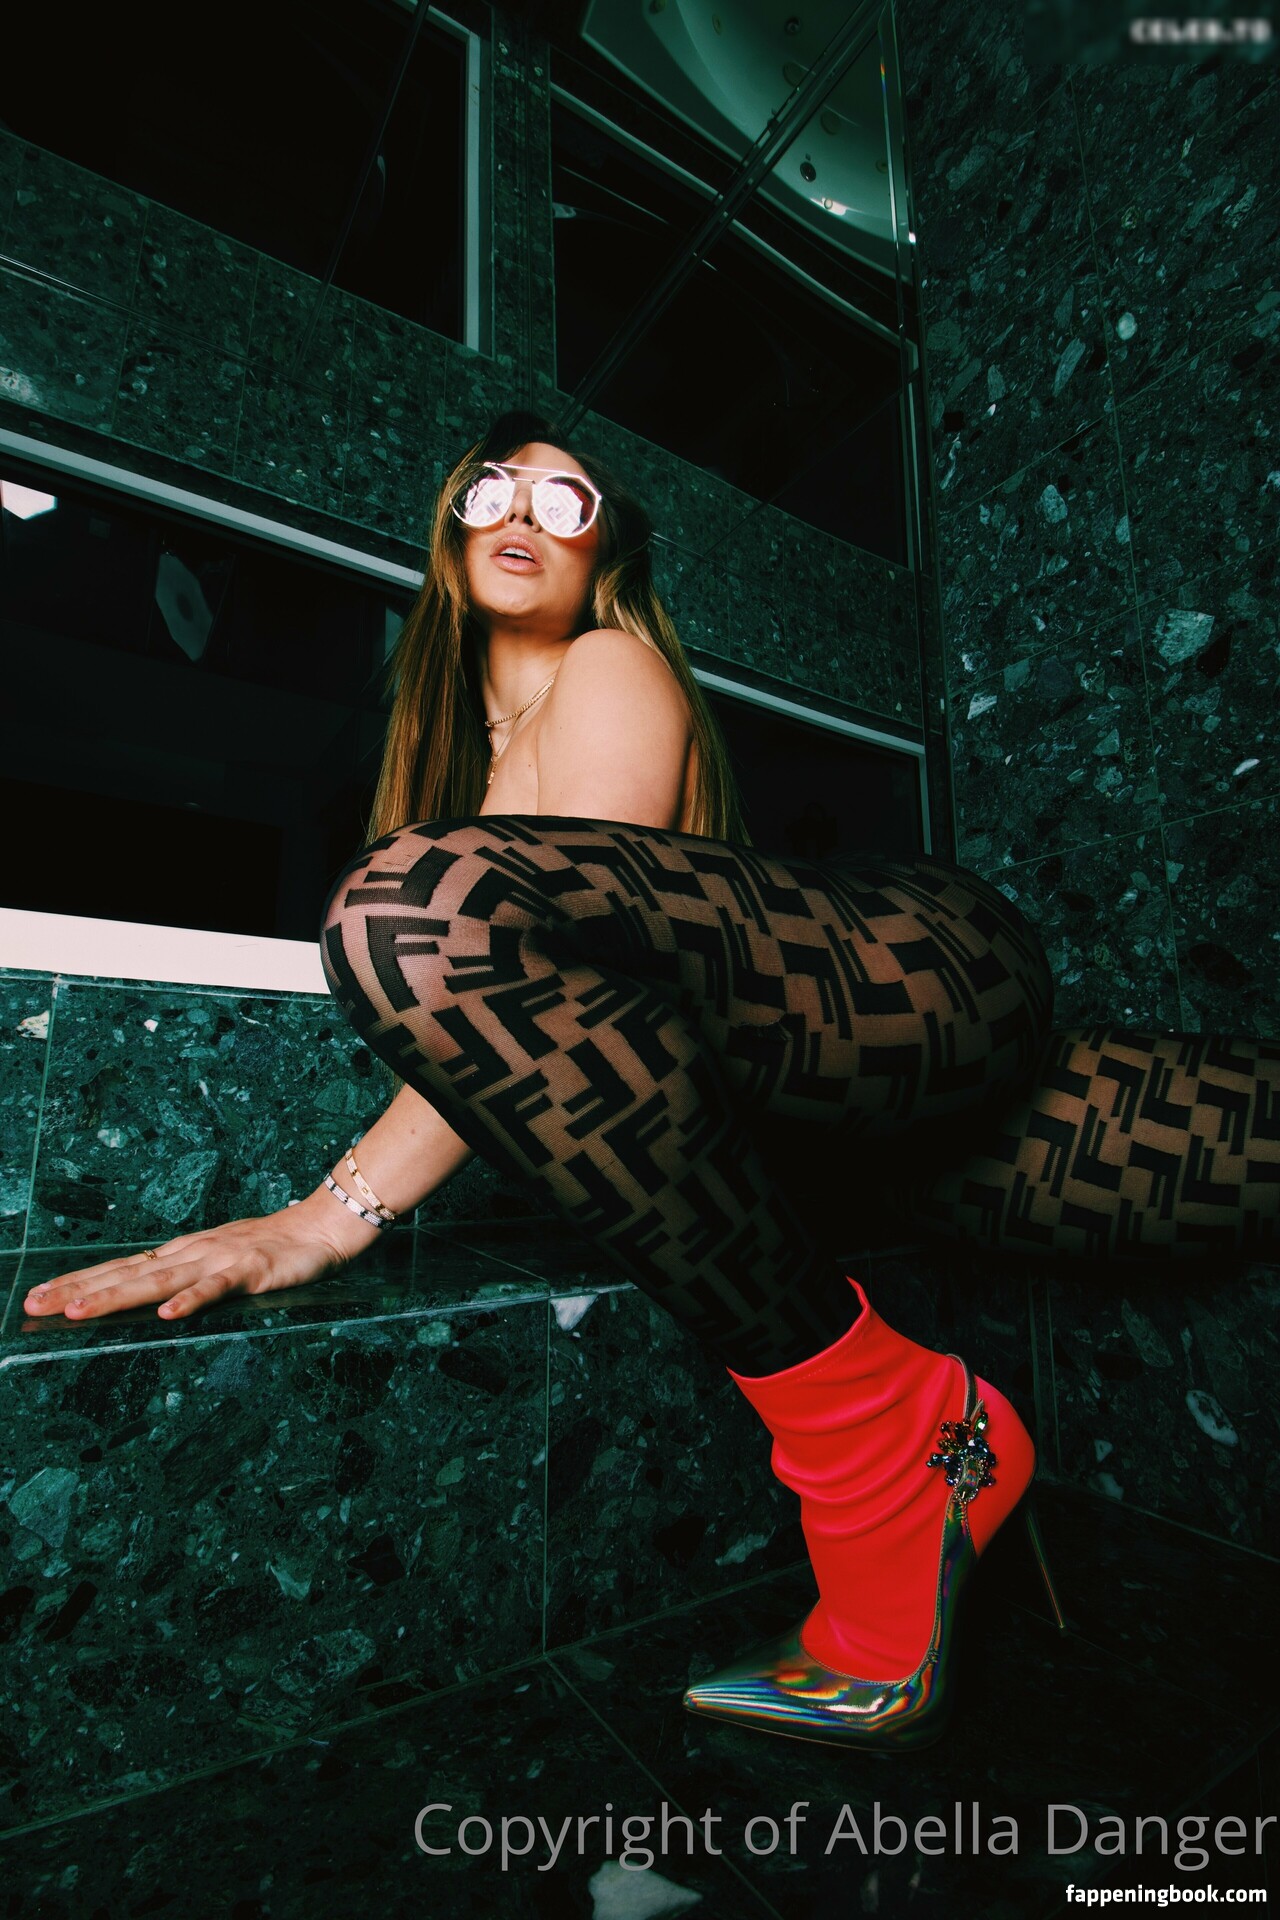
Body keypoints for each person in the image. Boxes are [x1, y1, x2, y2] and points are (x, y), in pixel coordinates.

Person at [24, 411, 1279, 1754]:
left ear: (604, 554)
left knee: (410, 909)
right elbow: (522, 1030)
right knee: (1233, 1148)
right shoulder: (463, 782)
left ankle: (887, 1446)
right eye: (492, 492)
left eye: (563, 502)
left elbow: (514, 985)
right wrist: (308, 1228)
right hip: (862, 1128)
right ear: (449, 534)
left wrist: (321, 1224)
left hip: (915, 980)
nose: (522, 513)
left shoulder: (607, 664)